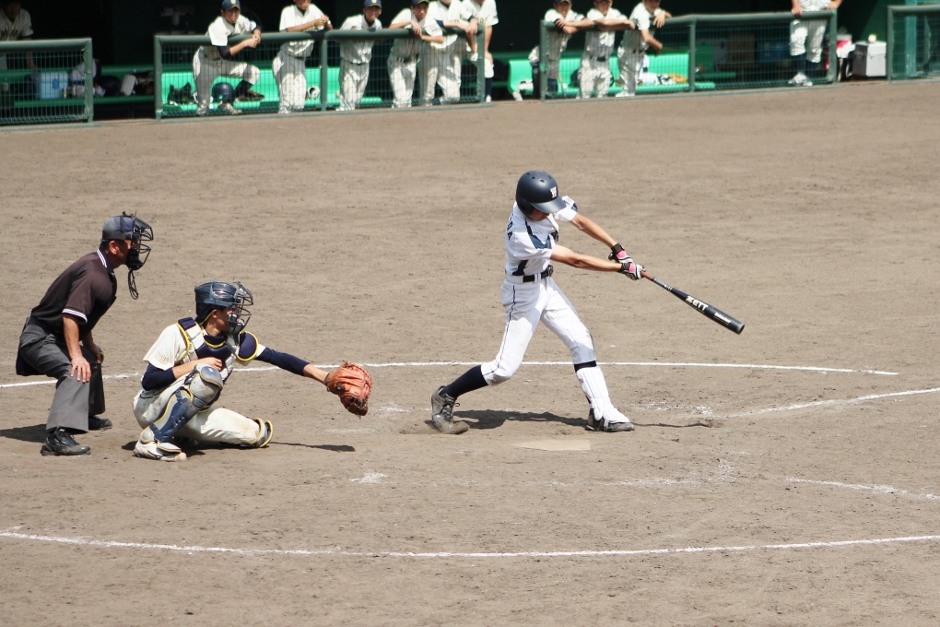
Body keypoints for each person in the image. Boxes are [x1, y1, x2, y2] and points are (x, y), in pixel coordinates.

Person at [429, 171, 644, 435]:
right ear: (526, 205)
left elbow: (579, 221)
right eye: (543, 209)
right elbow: (574, 260)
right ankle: (446, 395)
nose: (549, 212)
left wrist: (618, 249)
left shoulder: (541, 204)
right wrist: (620, 268)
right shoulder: (522, 236)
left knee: (581, 340)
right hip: (523, 294)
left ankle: (602, 413)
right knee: (504, 369)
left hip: (546, 286)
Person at [131, 280, 345, 462]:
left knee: (257, 434)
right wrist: (193, 366)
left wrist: (325, 378)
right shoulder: (178, 334)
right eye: (232, 309)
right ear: (215, 313)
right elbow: (150, 381)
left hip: (193, 413)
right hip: (151, 407)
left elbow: (278, 357)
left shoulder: (235, 342)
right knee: (205, 376)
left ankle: (182, 434)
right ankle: (151, 440)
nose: (237, 314)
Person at [16, 214, 154, 456]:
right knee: (75, 368)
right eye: (132, 242)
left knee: (91, 359)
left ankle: (82, 415)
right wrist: (76, 355)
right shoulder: (93, 274)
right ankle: (56, 437)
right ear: (114, 246)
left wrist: (88, 344)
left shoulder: (103, 268)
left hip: (54, 335)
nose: (136, 248)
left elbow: (84, 316)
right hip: (39, 339)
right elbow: (70, 316)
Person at [193, 0, 264, 116]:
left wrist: (257, 33)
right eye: (230, 11)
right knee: (203, 107)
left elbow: (256, 26)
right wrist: (245, 43)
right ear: (223, 12)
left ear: (240, 11)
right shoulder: (217, 26)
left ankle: (227, 102)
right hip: (205, 63)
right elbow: (225, 53)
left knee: (254, 73)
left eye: (236, 10)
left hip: (221, 63)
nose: (233, 14)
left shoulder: (241, 20)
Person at [274, 0, 332, 115]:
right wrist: (313, 23)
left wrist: (325, 22)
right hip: (286, 58)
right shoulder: (288, 11)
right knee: (286, 103)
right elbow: (290, 30)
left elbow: (330, 28)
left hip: (301, 62)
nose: (306, 1)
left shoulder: (314, 9)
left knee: (299, 104)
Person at [387, 0, 444, 108]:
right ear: (412, 8)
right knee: (401, 100)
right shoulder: (406, 13)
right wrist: (409, 22)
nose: (422, 11)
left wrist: (423, 37)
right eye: (419, 7)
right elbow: (391, 28)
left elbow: (440, 38)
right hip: (396, 61)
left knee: (407, 102)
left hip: (411, 62)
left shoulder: (429, 20)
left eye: (424, 8)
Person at [419, 0, 477, 106]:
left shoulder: (457, 4)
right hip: (430, 50)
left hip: (446, 53)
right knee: (427, 95)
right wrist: (458, 24)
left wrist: (473, 22)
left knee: (453, 96)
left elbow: (471, 17)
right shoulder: (432, 6)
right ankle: (424, 111)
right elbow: (435, 22)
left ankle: (436, 106)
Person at [536, 0, 592, 97]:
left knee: (552, 94)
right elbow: (568, 30)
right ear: (555, 5)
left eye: (566, 4)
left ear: (570, 5)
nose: (564, 7)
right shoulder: (551, 13)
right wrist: (578, 25)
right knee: (540, 94)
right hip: (540, 58)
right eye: (561, 4)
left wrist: (568, 23)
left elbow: (589, 22)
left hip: (554, 60)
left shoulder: (572, 15)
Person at [616, 0, 670, 98]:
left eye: (657, 1)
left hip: (639, 54)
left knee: (631, 90)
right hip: (628, 53)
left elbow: (670, 16)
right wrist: (659, 46)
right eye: (651, 1)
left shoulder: (655, 10)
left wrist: (663, 13)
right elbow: (646, 37)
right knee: (627, 91)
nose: (654, 4)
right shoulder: (640, 12)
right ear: (644, 1)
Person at [579, 0, 633, 98]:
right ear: (595, 3)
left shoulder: (614, 12)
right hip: (589, 62)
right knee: (584, 96)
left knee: (603, 96)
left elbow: (626, 23)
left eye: (607, 2)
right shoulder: (592, 12)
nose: (605, 5)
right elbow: (604, 22)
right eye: (602, 2)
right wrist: (616, 23)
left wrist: (609, 27)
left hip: (605, 63)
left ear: (611, 2)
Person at [338, 0, 382, 112]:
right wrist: (350, 34)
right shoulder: (351, 21)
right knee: (349, 104)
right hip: (349, 65)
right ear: (364, 10)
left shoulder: (378, 25)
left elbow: (380, 39)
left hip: (365, 67)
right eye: (370, 9)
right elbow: (336, 38)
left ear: (380, 11)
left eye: (376, 9)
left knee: (356, 102)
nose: (373, 11)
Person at [789, 0, 842, 86]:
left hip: (820, 11)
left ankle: (809, 78)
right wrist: (795, 5)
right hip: (802, 11)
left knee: (814, 48)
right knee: (796, 40)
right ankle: (800, 74)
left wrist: (836, 3)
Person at [465, 0, 497, 102]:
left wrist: (484, 50)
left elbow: (488, 27)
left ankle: (486, 96)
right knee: (453, 93)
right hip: (462, 45)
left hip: (479, 46)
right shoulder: (466, 3)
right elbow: (467, 29)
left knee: (487, 63)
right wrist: (475, 48)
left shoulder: (490, 2)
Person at [0, 1, 37, 70]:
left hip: (3, 56)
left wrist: (31, 64)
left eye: (16, 5)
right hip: (2, 53)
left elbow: (27, 41)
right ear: (4, 6)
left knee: (4, 76)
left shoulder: (24, 15)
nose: (13, 9)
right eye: (10, 6)